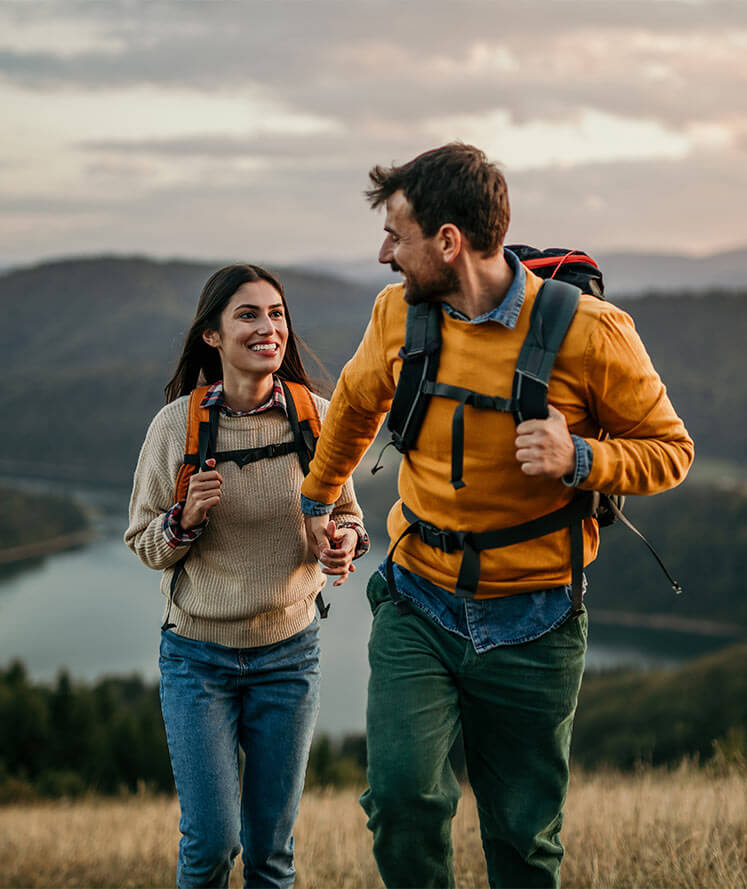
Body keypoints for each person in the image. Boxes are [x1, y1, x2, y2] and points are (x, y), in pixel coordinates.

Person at [300, 144, 694, 888]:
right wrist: (318, 498)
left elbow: (671, 450)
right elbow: (354, 404)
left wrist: (579, 457)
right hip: (418, 601)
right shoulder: (398, 315)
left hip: (537, 622)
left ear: (448, 242)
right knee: (403, 800)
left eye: (397, 234)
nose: (385, 253)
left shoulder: (591, 332)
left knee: (522, 838)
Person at [125, 264, 368, 889]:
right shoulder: (175, 427)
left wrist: (342, 543)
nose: (269, 327)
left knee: (271, 853)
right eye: (249, 314)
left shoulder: (318, 417)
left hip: (290, 656)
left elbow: (350, 520)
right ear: (212, 335)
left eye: (277, 314)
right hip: (196, 658)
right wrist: (184, 519)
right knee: (211, 845)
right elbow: (145, 543)